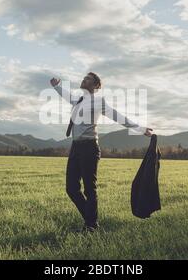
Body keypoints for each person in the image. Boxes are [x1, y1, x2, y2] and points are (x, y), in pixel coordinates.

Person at [50, 72, 153, 232]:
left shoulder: (98, 101)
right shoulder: (78, 100)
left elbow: (118, 117)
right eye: (84, 78)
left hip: (89, 148)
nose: (84, 80)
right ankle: (92, 221)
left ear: (96, 86)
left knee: (89, 189)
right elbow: (67, 96)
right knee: (71, 189)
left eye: (88, 79)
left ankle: (91, 225)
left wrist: (140, 129)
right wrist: (57, 86)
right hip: (76, 147)